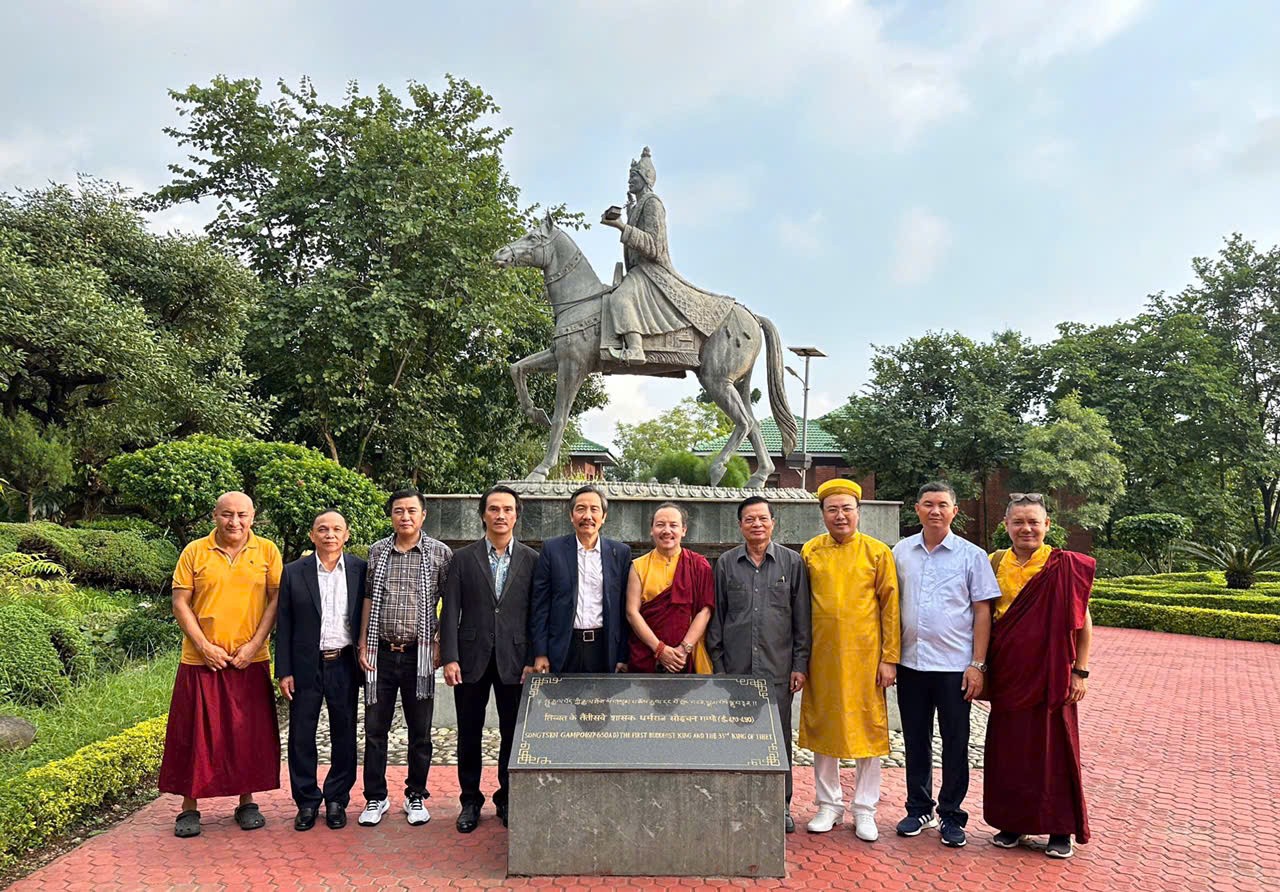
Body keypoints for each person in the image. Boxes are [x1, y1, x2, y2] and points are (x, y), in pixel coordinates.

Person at [159, 491, 283, 839]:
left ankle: (246, 801)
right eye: (227, 515)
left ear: (253, 517)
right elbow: (180, 603)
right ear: (214, 516)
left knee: (249, 735)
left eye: (242, 515)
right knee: (195, 734)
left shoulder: (267, 552)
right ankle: (189, 806)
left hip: (250, 658)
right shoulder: (195, 551)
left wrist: (255, 644)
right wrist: (204, 646)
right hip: (201, 660)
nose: (235, 522)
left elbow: (275, 600)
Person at [891, 482, 1000, 848]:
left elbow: (983, 612)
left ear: (955, 511)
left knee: (955, 742)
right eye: (928, 504)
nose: (935, 511)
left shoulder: (972, 556)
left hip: (955, 666)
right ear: (917, 509)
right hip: (911, 664)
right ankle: (918, 807)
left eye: (942, 505)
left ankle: (951, 814)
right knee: (915, 739)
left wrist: (978, 664)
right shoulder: (900, 552)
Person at [985, 493, 1094, 859]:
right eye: (1018, 522)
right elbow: (984, 616)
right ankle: (1012, 823)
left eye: (1033, 522)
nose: (1026, 529)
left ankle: (1059, 828)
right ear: (1006, 526)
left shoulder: (1064, 566)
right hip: (1010, 671)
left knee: (1055, 750)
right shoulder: (994, 561)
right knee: (1010, 751)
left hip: (1053, 671)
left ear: (1048, 525)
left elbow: (1084, 623)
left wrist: (1080, 671)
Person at [798, 478, 899, 843]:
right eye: (832, 509)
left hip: (866, 658)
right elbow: (800, 608)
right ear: (822, 514)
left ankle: (865, 809)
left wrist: (890, 658)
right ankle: (828, 804)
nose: (840, 516)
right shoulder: (810, 552)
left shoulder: (877, 552)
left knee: (867, 730)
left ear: (859, 512)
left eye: (847, 509)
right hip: (822, 657)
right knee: (824, 726)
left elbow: (890, 608)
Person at [707, 495, 811, 833]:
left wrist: (800, 663)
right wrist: (719, 666)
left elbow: (802, 619)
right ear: (740, 525)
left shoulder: (792, 563)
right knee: (736, 737)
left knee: (777, 738)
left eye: (762, 519)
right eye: (749, 519)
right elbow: (717, 617)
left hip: (777, 669)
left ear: (772, 523)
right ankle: (737, 801)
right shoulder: (725, 563)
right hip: (736, 670)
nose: (756, 524)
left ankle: (780, 805)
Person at [440, 485, 537, 833]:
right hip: (470, 657)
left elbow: (534, 613)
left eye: (507, 509)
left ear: (516, 515)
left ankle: (507, 797)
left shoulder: (530, 559)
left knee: (513, 734)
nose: (500, 515)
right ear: (483, 514)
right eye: (494, 509)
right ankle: (469, 800)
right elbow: (450, 609)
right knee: (469, 732)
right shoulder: (463, 559)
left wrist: (532, 656)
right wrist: (449, 657)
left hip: (515, 659)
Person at [356, 489, 452, 828]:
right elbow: (368, 598)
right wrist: (363, 642)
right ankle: (375, 797)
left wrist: (441, 642)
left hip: (420, 655)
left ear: (423, 515)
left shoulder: (440, 554)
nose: (405, 517)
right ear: (391, 515)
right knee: (374, 729)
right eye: (399, 511)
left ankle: (416, 794)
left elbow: (449, 603)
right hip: (381, 652)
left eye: (412, 510)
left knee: (420, 731)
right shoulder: (378, 551)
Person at [598, 146, 734, 365]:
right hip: (639, 271)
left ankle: (635, 348)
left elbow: (654, 246)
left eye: (634, 176)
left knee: (620, 298)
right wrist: (629, 214)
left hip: (652, 272)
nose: (630, 181)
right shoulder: (640, 204)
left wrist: (621, 226)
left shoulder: (653, 203)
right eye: (629, 176)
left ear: (646, 178)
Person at [276, 509, 367, 831]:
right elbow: (283, 622)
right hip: (304, 665)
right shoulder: (293, 572)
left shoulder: (360, 569)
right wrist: (283, 670)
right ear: (312, 535)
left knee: (344, 732)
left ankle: (337, 799)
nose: (330, 535)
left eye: (336, 529)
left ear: (347, 535)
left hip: (343, 662)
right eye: (322, 529)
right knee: (301, 734)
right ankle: (307, 801)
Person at [530, 485, 633, 674]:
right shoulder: (552, 550)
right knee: (561, 702)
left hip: (604, 647)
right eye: (580, 509)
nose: (587, 516)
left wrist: (622, 655)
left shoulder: (620, 553)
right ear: (571, 516)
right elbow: (540, 606)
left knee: (601, 703)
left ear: (604, 517)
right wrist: (540, 652)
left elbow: (624, 608)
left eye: (594, 509)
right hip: (563, 646)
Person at [624, 502, 714, 674]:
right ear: (651, 530)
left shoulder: (699, 564)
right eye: (660, 525)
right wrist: (659, 649)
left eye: (673, 525)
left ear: (684, 530)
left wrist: (683, 648)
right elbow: (632, 613)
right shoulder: (638, 566)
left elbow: (705, 610)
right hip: (647, 653)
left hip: (688, 655)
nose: (667, 531)